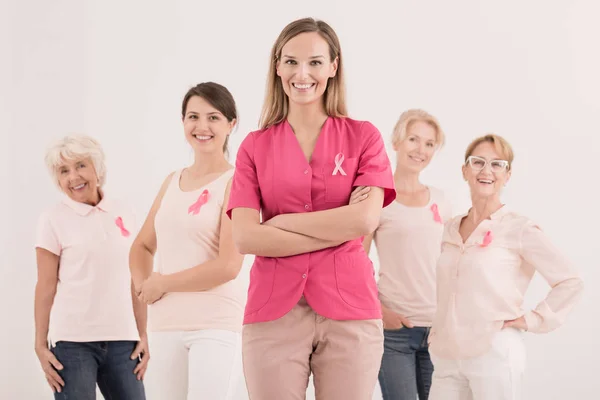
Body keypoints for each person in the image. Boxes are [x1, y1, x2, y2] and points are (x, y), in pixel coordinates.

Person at [227, 17, 396, 400]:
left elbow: (365, 219)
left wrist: (282, 224)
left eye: (315, 62)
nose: (302, 73)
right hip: (273, 312)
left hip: (350, 309)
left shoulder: (363, 137)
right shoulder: (254, 146)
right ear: (277, 66)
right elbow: (245, 236)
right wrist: (336, 226)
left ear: (334, 67)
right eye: (290, 61)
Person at [428, 134, 584, 400]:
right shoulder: (451, 227)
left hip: (493, 352)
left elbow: (570, 280)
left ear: (507, 175)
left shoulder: (519, 228)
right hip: (446, 355)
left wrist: (532, 319)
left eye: (497, 164)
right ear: (465, 170)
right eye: (478, 162)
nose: (486, 170)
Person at [129, 82, 246, 400]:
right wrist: (145, 287)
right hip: (165, 324)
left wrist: (162, 283)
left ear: (231, 125)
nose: (202, 126)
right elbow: (141, 246)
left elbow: (228, 266)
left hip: (215, 325)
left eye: (213, 117)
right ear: (183, 123)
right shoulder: (171, 181)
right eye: (193, 116)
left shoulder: (237, 182)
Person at [34, 135, 147, 399]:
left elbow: (137, 278)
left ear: (97, 167)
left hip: (123, 342)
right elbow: (45, 286)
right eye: (64, 171)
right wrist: (40, 344)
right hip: (72, 345)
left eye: (80, 165)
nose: (73, 177)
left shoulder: (124, 211)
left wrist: (142, 333)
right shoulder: (52, 219)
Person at [362, 109, 451, 400]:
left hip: (439, 332)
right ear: (397, 141)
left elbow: (453, 262)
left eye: (429, 144)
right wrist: (380, 312)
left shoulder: (441, 199)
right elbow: (357, 261)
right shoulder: (377, 197)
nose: (420, 150)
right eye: (413, 139)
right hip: (395, 332)